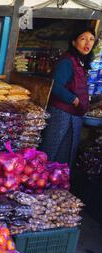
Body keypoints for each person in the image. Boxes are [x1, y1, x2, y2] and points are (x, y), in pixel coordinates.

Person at [40, 25, 97, 167]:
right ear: (73, 42)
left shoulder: (79, 60)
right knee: (53, 147)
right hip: (62, 113)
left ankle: (60, 180)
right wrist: (74, 100)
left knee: (67, 149)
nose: (88, 43)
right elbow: (56, 85)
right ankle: (45, 178)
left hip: (73, 113)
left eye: (91, 39)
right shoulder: (67, 61)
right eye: (83, 39)